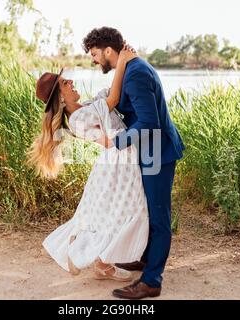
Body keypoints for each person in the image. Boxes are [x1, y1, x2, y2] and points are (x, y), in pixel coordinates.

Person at [27, 45, 149, 282]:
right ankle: (92, 258)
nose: (71, 82)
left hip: (118, 162)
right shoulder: (78, 118)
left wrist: (123, 66)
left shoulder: (84, 109)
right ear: (61, 98)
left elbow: (111, 98)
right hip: (117, 166)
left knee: (113, 214)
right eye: (65, 83)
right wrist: (122, 60)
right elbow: (112, 99)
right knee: (127, 210)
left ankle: (102, 262)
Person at [82, 26, 186, 299]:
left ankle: (152, 281)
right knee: (149, 211)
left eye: (94, 54)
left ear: (108, 50)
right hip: (149, 152)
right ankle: (145, 260)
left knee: (159, 217)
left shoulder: (136, 73)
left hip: (157, 153)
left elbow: (149, 123)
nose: (93, 60)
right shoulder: (130, 68)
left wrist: (115, 142)